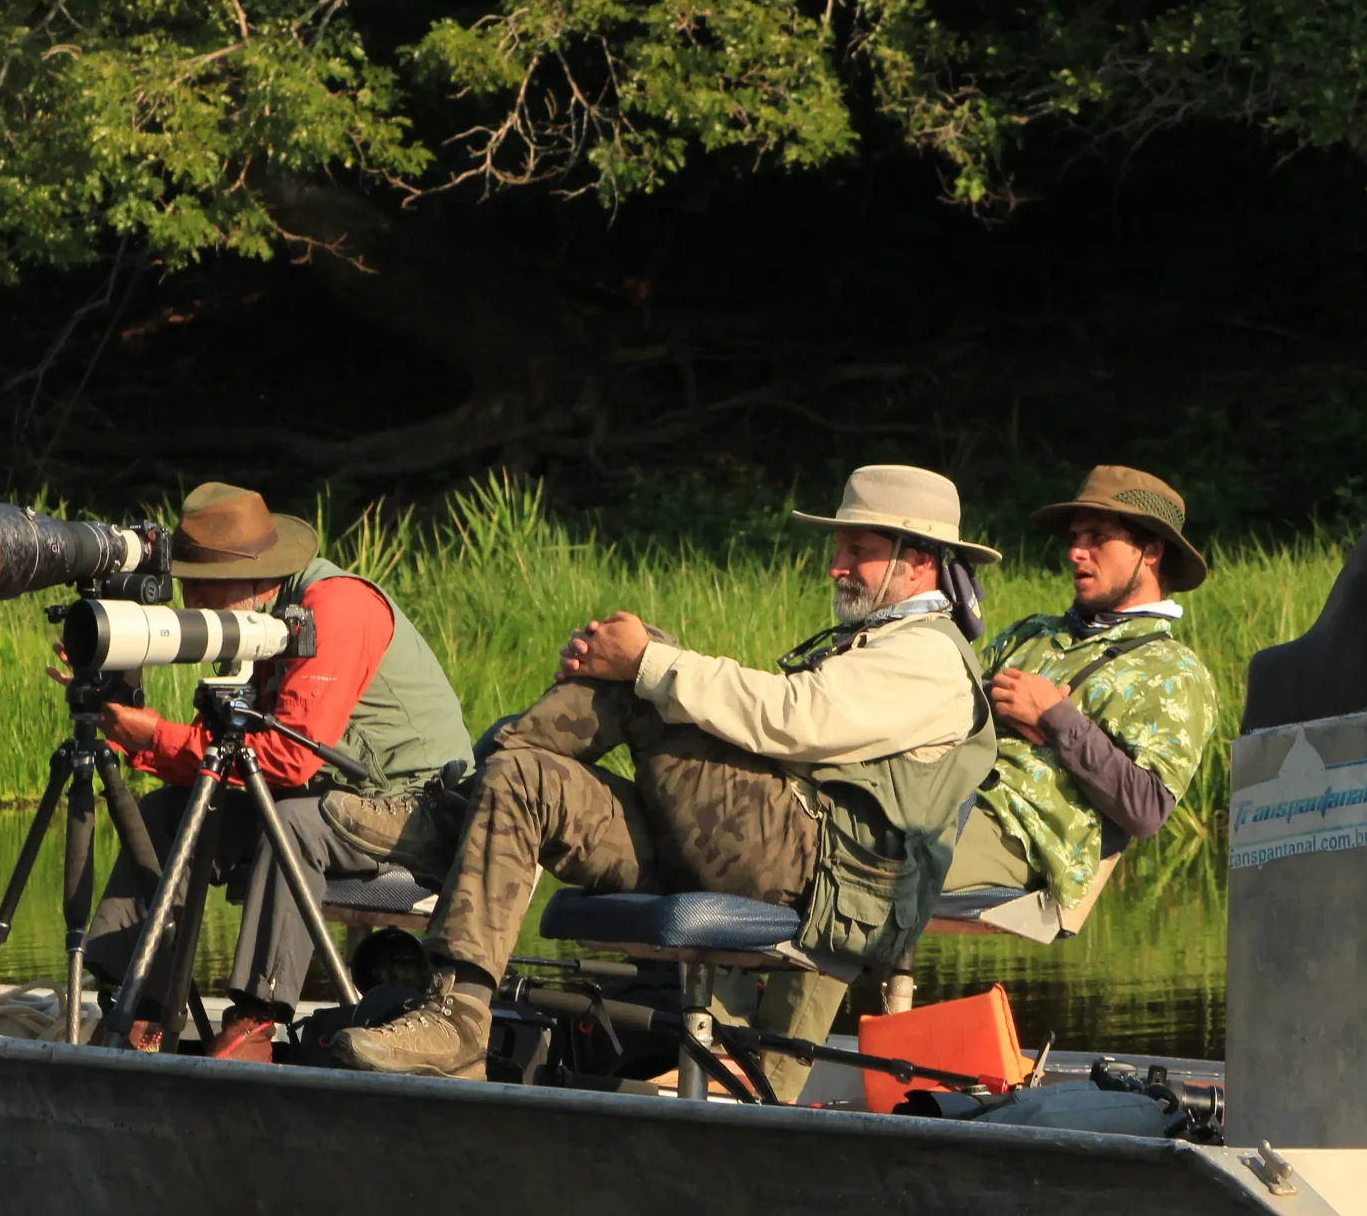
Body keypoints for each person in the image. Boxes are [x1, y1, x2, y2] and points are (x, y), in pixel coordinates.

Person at [332, 465, 1000, 1091]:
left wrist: (650, 661)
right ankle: (458, 1020)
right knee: (523, 777)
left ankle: (446, 818)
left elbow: (796, 719)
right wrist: (643, 664)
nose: (837, 563)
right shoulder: (874, 642)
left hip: (811, 875)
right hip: (756, 850)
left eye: (858, 548)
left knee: (642, 669)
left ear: (918, 560)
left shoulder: (930, 656)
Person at [82, 483, 475, 1057]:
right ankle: (139, 1005)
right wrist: (130, 721)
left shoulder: (335, 608)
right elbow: (241, 752)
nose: (189, 598)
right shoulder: (263, 617)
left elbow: (288, 760)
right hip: (332, 795)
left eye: (200, 582)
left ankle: (255, 1020)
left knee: (292, 822)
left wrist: (158, 737)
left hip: (419, 808)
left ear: (255, 575)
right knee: (164, 814)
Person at [950, 467, 1218, 923]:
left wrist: (1055, 717)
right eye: (1075, 538)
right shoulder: (1031, 633)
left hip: (1020, 839)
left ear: (1150, 550)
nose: (1077, 552)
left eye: (1097, 538)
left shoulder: (1176, 672)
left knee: (851, 861)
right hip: (939, 797)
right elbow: (953, 706)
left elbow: (1147, 808)